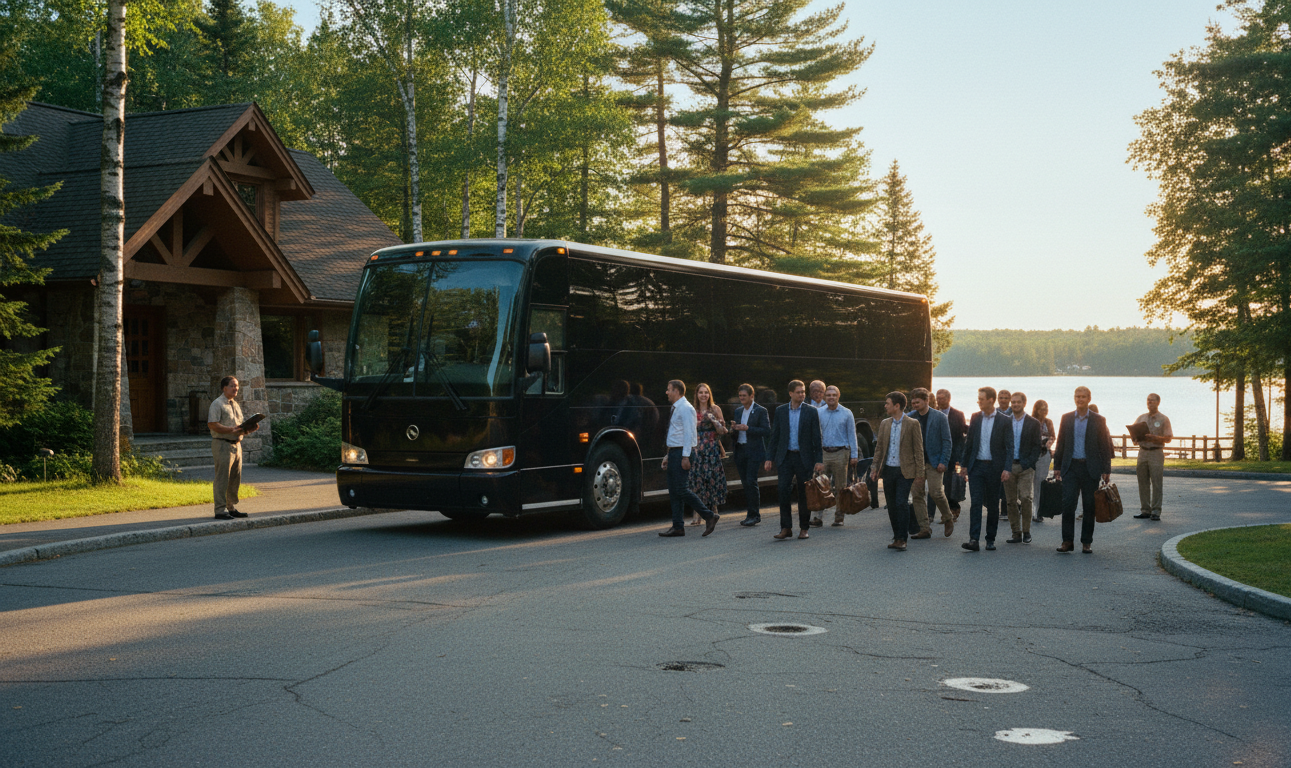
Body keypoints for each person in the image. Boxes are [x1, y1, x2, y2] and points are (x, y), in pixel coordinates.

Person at [1052, 386, 1113, 554]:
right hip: (1070, 467)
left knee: (1089, 507)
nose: (1080, 399)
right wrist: (1057, 466)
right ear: (1074, 398)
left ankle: (1086, 542)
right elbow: (1061, 443)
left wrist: (1106, 468)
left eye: (1083, 396)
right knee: (1068, 505)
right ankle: (1067, 541)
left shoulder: (1099, 420)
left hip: (1090, 468)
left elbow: (1105, 446)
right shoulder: (1066, 418)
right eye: (1077, 396)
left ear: (1089, 399)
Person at [764, 379, 824, 540]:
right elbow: (774, 436)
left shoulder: (811, 411)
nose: (802, 395)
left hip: (804, 458)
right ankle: (786, 527)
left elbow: (817, 437)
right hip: (785, 457)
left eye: (803, 392)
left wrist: (819, 460)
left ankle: (804, 528)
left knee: (804, 493)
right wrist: (769, 457)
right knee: (783, 491)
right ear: (790, 393)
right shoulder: (781, 411)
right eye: (799, 392)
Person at [659, 380, 719, 538]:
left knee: (681, 489)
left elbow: (689, 434)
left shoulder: (686, 408)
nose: (667, 392)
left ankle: (709, 515)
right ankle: (678, 526)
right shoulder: (677, 407)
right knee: (674, 491)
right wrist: (668, 454)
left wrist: (685, 456)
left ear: (677, 391)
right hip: (675, 452)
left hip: (682, 453)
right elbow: (676, 434)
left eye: (669, 390)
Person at [959, 386, 1013, 552]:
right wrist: (964, 465)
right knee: (975, 502)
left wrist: (1007, 468)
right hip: (977, 466)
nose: (978, 402)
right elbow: (969, 443)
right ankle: (974, 539)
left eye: (981, 399)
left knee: (992, 505)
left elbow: (1010, 446)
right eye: (978, 399)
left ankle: (990, 539)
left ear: (991, 400)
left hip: (994, 468)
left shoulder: (1004, 420)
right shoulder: (975, 418)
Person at [870, 391, 925, 551]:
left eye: (887, 403)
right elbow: (879, 448)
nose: (885, 406)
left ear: (897, 406)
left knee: (901, 503)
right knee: (892, 505)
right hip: (888, 470)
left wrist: (920, 474)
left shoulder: (912, 423)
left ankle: (903, 538)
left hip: (905, 471)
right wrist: (874, 468)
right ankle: (896, 536)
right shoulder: (884, 424)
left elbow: (918, 450)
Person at [207, 376, 259, 520]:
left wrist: (249, 429)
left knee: (235, 478)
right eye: (232, 386)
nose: (236, 388)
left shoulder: (235, 404)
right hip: (222, 444)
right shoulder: (217, 404)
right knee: (222, 478)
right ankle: (219, 510)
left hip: (237, 445)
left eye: (237, 386)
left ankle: (231, 508)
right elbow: (212, 424)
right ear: (224, 388)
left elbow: (239, 427)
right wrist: (231, 430)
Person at [908, 388, 954, 538]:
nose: (914, 404)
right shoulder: (910, 418)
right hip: (917, 464)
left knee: (936, 492)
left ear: (926, 401)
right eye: (913, 402)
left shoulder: (940, 417)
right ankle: (924, 528)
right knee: (917, 494)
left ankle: (948, 518)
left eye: (917, 402)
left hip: (934, 462)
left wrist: (943, 461)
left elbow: (947, 441)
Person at [1002, 391, 1044, 544]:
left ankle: (1026, 531)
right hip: (1008, 466)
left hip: (1026, 467)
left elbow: (1036, 446)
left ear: (1024, 403)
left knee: (1026, 498)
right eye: (1013, 402)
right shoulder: (1005, 421)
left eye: (1018, 402)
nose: (1015, 405)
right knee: (1011, 501)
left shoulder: (1033, 423)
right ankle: (1016, 532)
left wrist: (1029, 463)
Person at [814, 385, 858, 527]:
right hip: (824, 453)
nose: (831, 397)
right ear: (824, 397)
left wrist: (854, 455)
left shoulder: (847, 413)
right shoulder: (818, 412)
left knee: (840, 487)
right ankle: (817, 517)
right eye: (828, 395)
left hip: (841, 453)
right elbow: (814, 435)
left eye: (834, 395)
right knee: (820, 486)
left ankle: (839, 516)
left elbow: (852, 435)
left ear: (838, 396)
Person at [687, 383, 729, 525]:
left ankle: (713, 509)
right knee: (697, 480)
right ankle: (697, 512)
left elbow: (723, 431)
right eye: (701, 392)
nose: (704, 395)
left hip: (711, 449)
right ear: (696, 395)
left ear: (709, 394)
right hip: (697, 450)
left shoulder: (715, 409)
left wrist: (714, 420)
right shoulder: (692, 410)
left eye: (706, 392)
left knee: (712, 479)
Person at [732, 383, 771, 527]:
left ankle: (755, 515)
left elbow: (766, 431)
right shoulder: (738, 411)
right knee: (745, 483)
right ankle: (750, 514)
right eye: (740, 396)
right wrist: (733, 428)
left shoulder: (761, 411)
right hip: (740, 450)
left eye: (744, 396)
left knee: (751, 481)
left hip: (754, 451)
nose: (741, 398)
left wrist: (748, 428)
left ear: (751, 396)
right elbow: (736, 432)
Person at [1133, 393, 1173, 521]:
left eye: (1152, 401)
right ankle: (1145, 510)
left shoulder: (1163, 419)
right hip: (1142, 452)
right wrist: (1134, 438)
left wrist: (1155, 438)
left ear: (1158, 403)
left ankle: (1156, 511)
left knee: (1156, 482)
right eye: (1148, 401)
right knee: (1142, 482)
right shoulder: (1141, 418)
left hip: (1156, 452)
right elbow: (1133, 432)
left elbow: (1168, 438)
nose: (1150, 403)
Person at [936, 388, 967, 520]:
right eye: (938, 398)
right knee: (938, 486)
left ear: (948, 399)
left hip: (953, 454)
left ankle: (952, 508)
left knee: (951, 484)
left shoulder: (958, 414)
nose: (939, 400)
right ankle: (941, 512)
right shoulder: (934, 413)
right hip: (937, 454)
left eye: (942, 398)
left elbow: (961, 436)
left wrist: (960, 456)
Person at [1030, 399, 1056, 523]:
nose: (1044, 411)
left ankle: (1037, 512)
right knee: (1028, 483)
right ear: (1036, 409)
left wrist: (1048, 444)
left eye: (1046, 409)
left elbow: (1052, 436)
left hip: (1044, 454)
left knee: (1039, 483)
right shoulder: (1030, 421)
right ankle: (1027, 506)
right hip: (1031, 455)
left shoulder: (1048, 422)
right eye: (1042, 409)